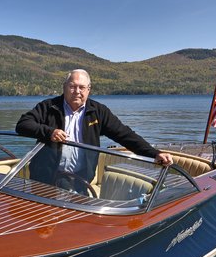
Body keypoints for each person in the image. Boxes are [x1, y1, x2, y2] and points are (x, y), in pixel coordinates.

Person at [16, 69, 173, 191]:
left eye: (82, 87)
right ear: (64, 87)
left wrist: (154, 153)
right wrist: (49, 132)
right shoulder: (49, 106)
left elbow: (125, 135)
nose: (77, 91)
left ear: (88, 89)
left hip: (79, 180)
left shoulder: (98, 111)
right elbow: (23, 125)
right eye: (72, 86)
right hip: (44, 178)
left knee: (76, 225)